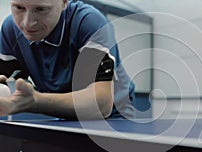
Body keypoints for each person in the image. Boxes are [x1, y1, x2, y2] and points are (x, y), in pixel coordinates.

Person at [0, 0, 135, 120]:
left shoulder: (88, 22)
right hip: (62, 114)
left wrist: (35, 101)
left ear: (64, 2)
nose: (27, 23)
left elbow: (101, 104)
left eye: (41, 9)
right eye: (19, 7)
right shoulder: (10, 29)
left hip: (114, 119)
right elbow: (6, 83)